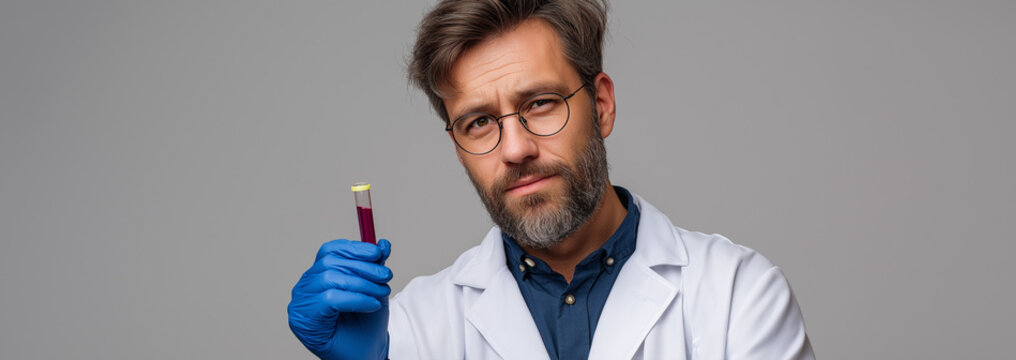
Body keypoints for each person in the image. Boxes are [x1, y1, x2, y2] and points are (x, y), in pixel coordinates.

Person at [288, 0, 815, 359]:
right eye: (479, 123)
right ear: (458, 148)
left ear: (602, 105)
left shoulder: (737, 298)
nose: (515, 149)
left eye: (539, 104)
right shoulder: (412, 331)